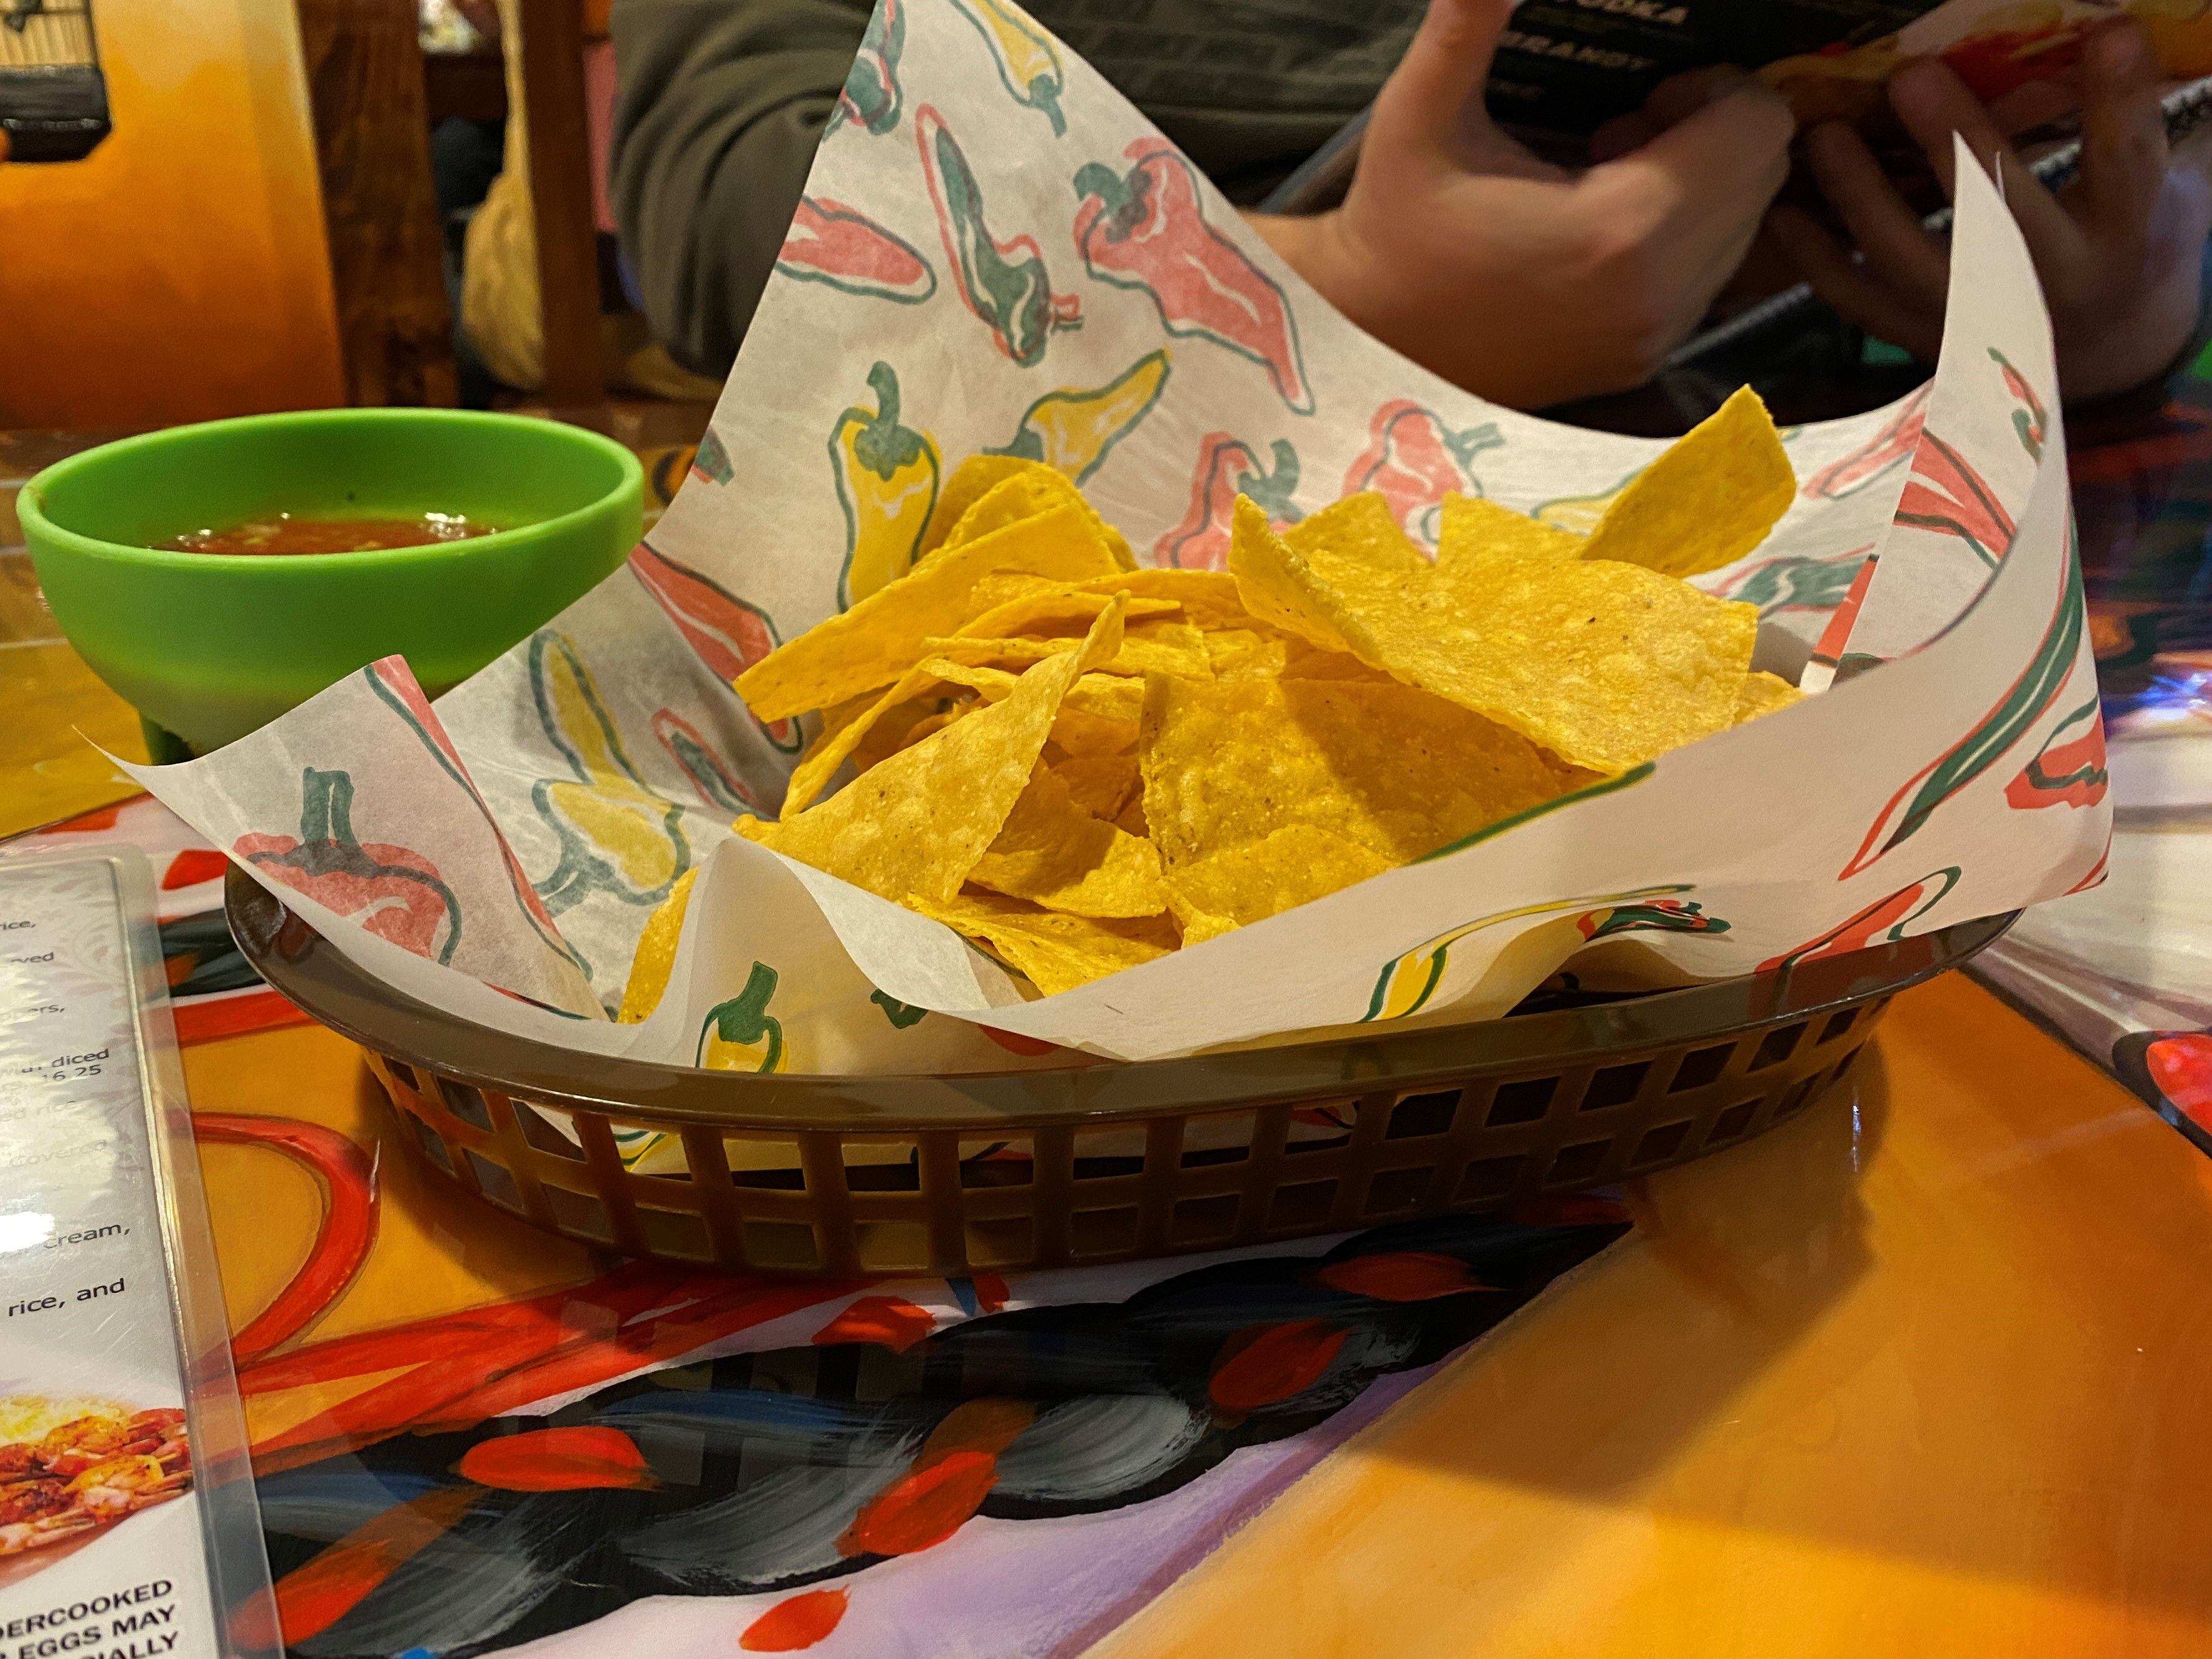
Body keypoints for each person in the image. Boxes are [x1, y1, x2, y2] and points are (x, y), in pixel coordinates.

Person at [609, 0, 2212, 412]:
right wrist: (1319, 298)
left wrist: (2120, 310)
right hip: (1097, 525)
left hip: (1835, 537)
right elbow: (719, 199)